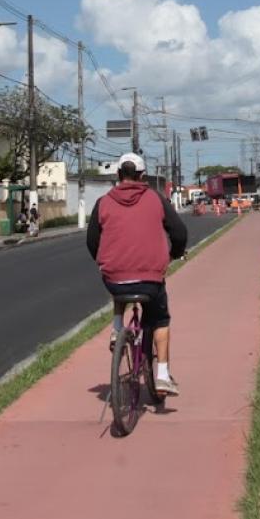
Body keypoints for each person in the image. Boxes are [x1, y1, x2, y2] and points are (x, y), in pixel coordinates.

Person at [87, 152, 188, 396]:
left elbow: (92, 242)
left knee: (117, 283)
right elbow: (179, 232)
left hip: (115, 279)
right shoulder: (156, 199)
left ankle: (117, 328)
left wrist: (105, 263)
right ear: (143, 176)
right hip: (151, 280)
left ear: (118, 175)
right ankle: (162, 375)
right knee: (160, 319)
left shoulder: (102, 202)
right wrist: (174, 253)